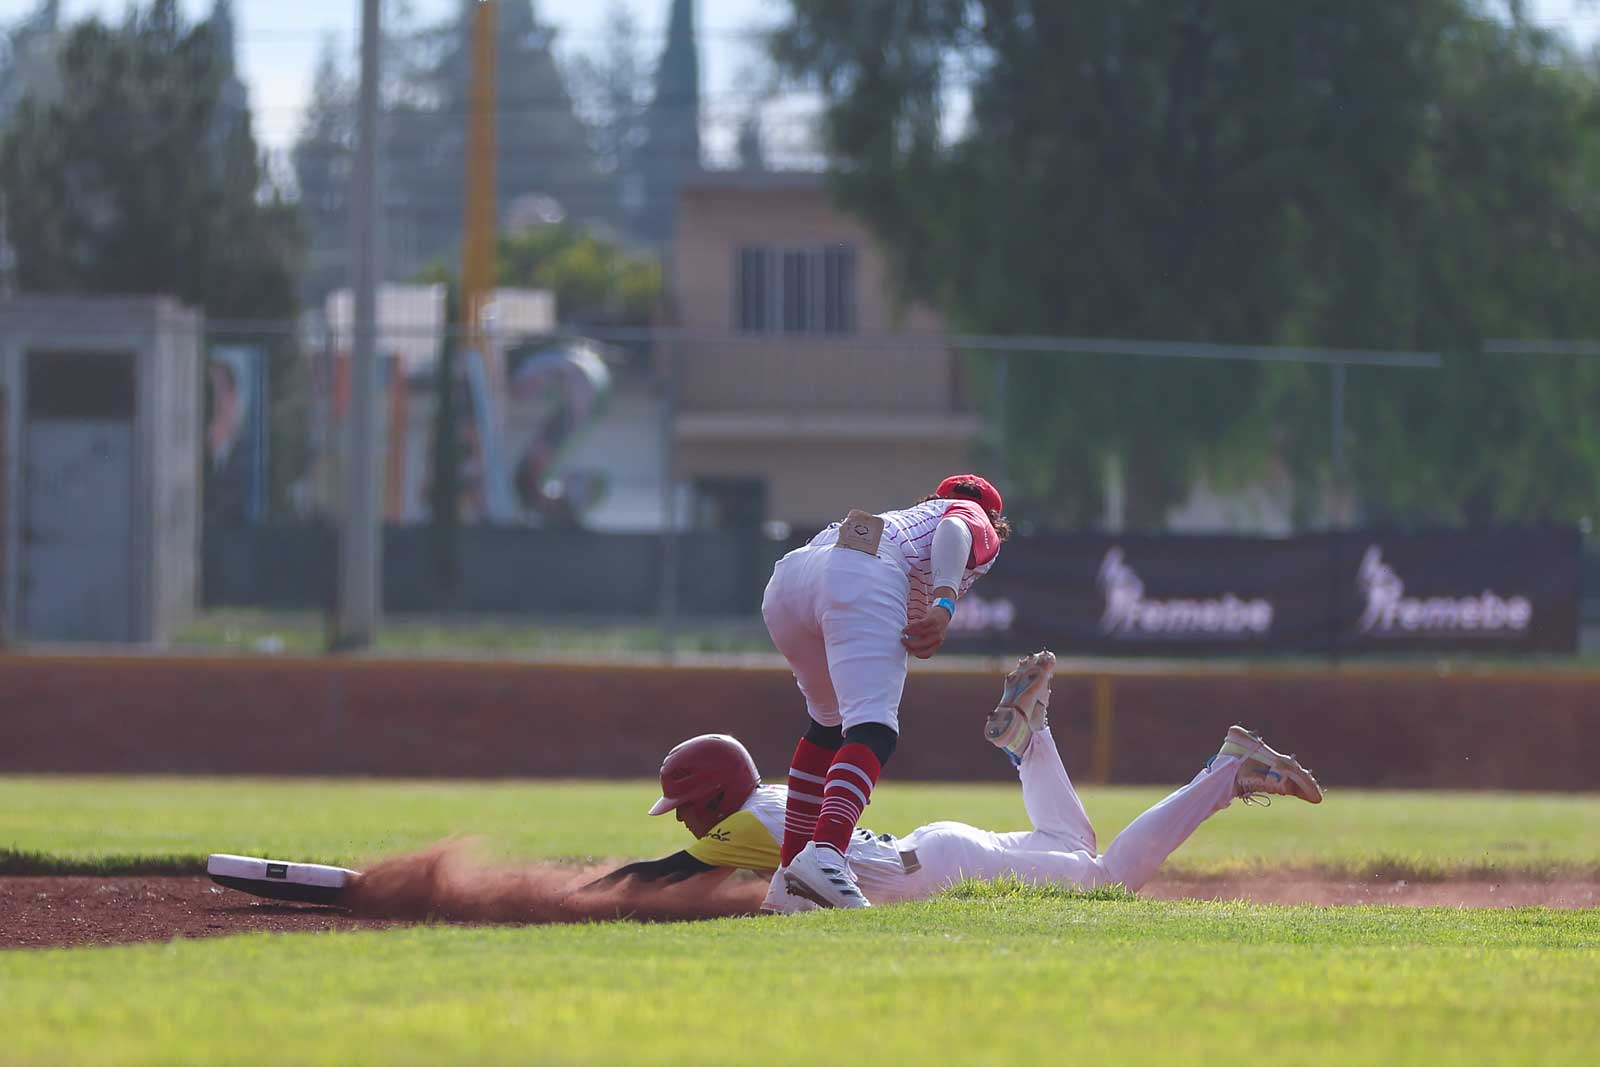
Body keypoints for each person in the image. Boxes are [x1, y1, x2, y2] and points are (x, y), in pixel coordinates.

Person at [593, 651, 1323, 912]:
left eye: (686, 806)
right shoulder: (772, 802)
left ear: (716, 797)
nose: (683, 819)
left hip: (934, 868)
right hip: (935, 852)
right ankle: (1029, 737)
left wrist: (564, 898)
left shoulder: (747, 822)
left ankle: (1229, 769)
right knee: (1071, 839)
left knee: (1103, 879)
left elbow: (660, 875)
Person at [760, 475, 1010, 910]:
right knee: (873, 728)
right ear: (994, 518)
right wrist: (945, 603)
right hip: (863, 572)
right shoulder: (971, 516)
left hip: (791, 579)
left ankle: (788, 878)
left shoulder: (909, 516)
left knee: (828, 727)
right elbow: (958, 525)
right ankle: (827, 853)